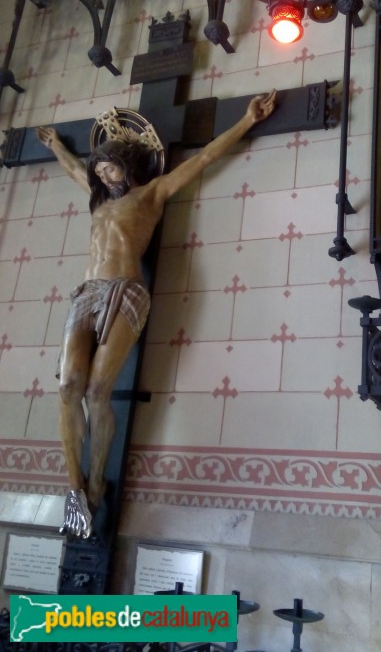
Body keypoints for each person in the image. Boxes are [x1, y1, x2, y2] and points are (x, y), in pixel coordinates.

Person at [36, 91, 277, 539]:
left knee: (96, 390)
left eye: (111, 167)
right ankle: (73, 490)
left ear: (128, 167)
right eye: (100, 168)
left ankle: (95, 481)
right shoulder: (98, 203)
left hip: (127, 291)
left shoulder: (152, 194)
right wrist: (55, 146)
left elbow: (204, 158)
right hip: (86, 293)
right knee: (68, 386)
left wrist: (246, 121)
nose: (104, 174)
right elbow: (73, 168)